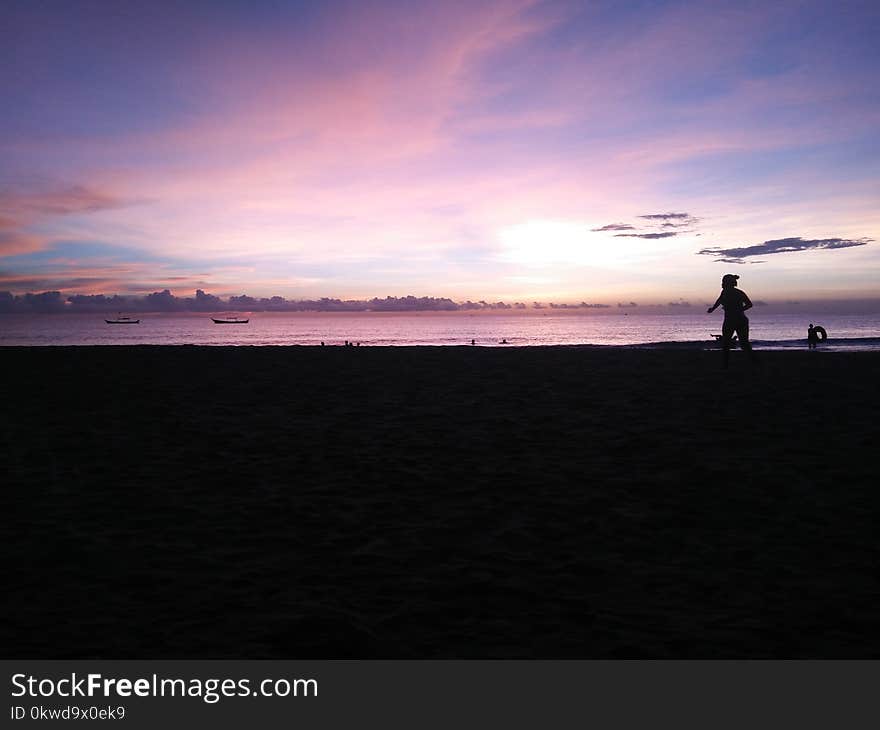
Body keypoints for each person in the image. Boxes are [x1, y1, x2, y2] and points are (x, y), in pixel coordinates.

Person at [707, 274, 758, 368]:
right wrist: (713, 308)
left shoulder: (737, 292)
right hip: (738, 320)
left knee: (731, 343)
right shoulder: (726, 292)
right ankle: (750, 362)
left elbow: (749, 304)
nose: (722, 284)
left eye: (723, 282)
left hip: (734, 320)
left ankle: (729, 364)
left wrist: (737, 310)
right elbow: (719, 300)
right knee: (741, 343)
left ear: (728, 283)